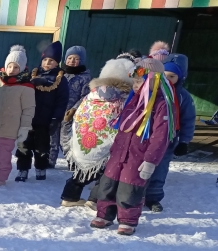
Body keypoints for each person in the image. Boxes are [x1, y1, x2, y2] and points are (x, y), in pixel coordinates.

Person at [91, 58, 177, 235]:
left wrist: (150, 161)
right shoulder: (133, 100)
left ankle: (127, 220)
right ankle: (104, 214)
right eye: (135, 81)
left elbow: (160, 137)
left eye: (139, 81)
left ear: (153, 80)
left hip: (139, 156)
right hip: (119, 154)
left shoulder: (161, 105)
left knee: (130, 187)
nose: (135, 85)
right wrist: (113, 150)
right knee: (108, 184)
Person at [60, 57, 134, 207]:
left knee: (82, 171)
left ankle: (69, 197)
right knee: (106, 172)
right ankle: (94, 199)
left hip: (85, 137)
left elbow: (81, 114)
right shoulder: (125, 98)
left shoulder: (92, 95)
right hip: (108, 142)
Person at [144, 53, 196, 212]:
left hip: (168, 140)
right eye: (165, 74)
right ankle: (134, 195)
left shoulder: (183, 97)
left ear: (181, 77)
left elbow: (188, 120)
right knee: (139, 166)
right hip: (146, 136)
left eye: (172, 76)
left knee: (159, 169)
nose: (167, 78)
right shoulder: (151, 90)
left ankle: (153, 197)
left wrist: (184, 142)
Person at [16, 41, 68, 181]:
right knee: (23, 145)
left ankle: (40, 168)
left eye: (51, 60)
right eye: (45, 59)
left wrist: (56, 119)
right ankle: (22, 169)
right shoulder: (33, 74)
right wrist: (30, 83)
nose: (47, 63)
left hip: (45, 120)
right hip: (28, 118)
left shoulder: (60, 79)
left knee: (42, 147)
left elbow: (62, 101)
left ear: (57, 63)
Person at [0, 45, 35, 187]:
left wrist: (24, 127)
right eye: (10, 66)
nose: (12, 69)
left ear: (22, 68)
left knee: (3, 154)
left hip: (10, 129)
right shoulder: (0, 83)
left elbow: (28, 109)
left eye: (16, 67)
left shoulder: (26, 88)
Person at [53, 45, 93, 166]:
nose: (72, 61)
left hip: (69, 114)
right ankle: (49, 160)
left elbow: (85, 96)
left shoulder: (85, 78)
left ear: (81, 60)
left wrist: (74, 109)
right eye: (70, 58)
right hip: (56, 111)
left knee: (66, 139)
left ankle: (71, 160)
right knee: (52, 137)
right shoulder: (59, 74)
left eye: (76, 59)